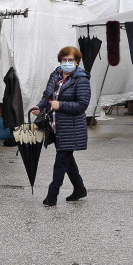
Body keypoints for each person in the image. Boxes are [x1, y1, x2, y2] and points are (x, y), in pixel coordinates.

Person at [32, 46, 91, 207]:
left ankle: (52, 195)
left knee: (61, 161)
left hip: (71, 128)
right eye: (64, 60)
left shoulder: (81, 79)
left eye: (71, 60)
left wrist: (61, 105)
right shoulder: (55, 75)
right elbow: (47, 96)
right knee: (67, 159)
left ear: (77, 62)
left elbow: (82, 104)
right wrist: (40, 107)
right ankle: (79, 188)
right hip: (55, 127)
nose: (67, 63)